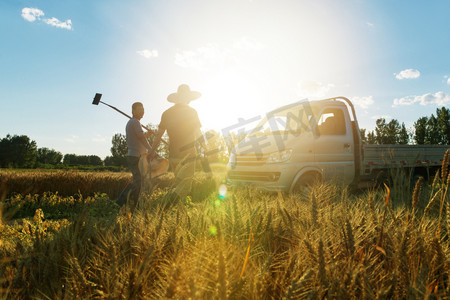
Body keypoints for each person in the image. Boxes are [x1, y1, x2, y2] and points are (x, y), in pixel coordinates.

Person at [150, 84, 207, 198]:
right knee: (184, 187)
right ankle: (163, 205)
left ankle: (179, 211)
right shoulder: (191, 112)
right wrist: (205, 147)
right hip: (189, 154)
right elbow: (197, 132)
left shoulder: (166, 113)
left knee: (180, 185)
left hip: (174, 155)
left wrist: (152, 150)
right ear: (187, 98)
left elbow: (158, 135)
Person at [116, 102, 153, 209]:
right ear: (133, 111)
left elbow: (138, 138)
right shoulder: (135, 122)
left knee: (139, 182)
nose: (142, 111)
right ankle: (119, 202)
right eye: (139, 109)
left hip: (135, 156)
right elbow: (141, 137)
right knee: (137, 181)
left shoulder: (132, 122)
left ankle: (136, 205)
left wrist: (147, 135)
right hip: (135, 157)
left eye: (143, 109)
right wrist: (150, 149)